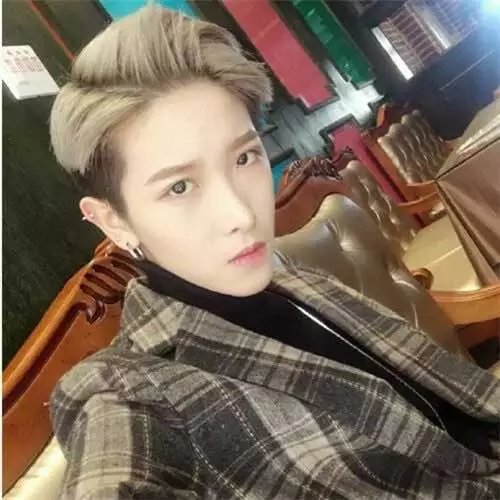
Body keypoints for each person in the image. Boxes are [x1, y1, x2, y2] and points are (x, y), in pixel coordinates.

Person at [49, 4, 499, 498]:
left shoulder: (287, 276)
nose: (241, 213)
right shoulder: (126, 393)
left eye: (244, 157)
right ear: (112, 220)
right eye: (179, 187)